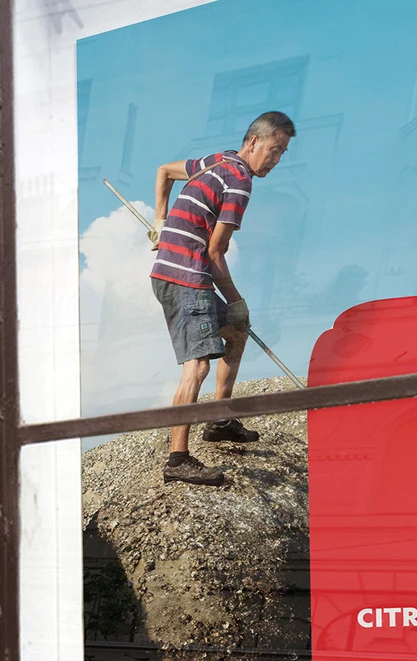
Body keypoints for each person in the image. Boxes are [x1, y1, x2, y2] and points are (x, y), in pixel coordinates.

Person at [147, 111, 296, 486]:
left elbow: (164, 171)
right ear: (254, 142)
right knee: (197, 365)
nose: (276, 160)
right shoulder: (240, 181)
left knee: (235, 332)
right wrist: (236, 299)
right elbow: (215, 252)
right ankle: (177, 459)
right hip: (186, 277)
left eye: (282, 153)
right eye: (274, 150)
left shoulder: (216, 161)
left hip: (175, 273)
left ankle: (219, 419)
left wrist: (160, 222)